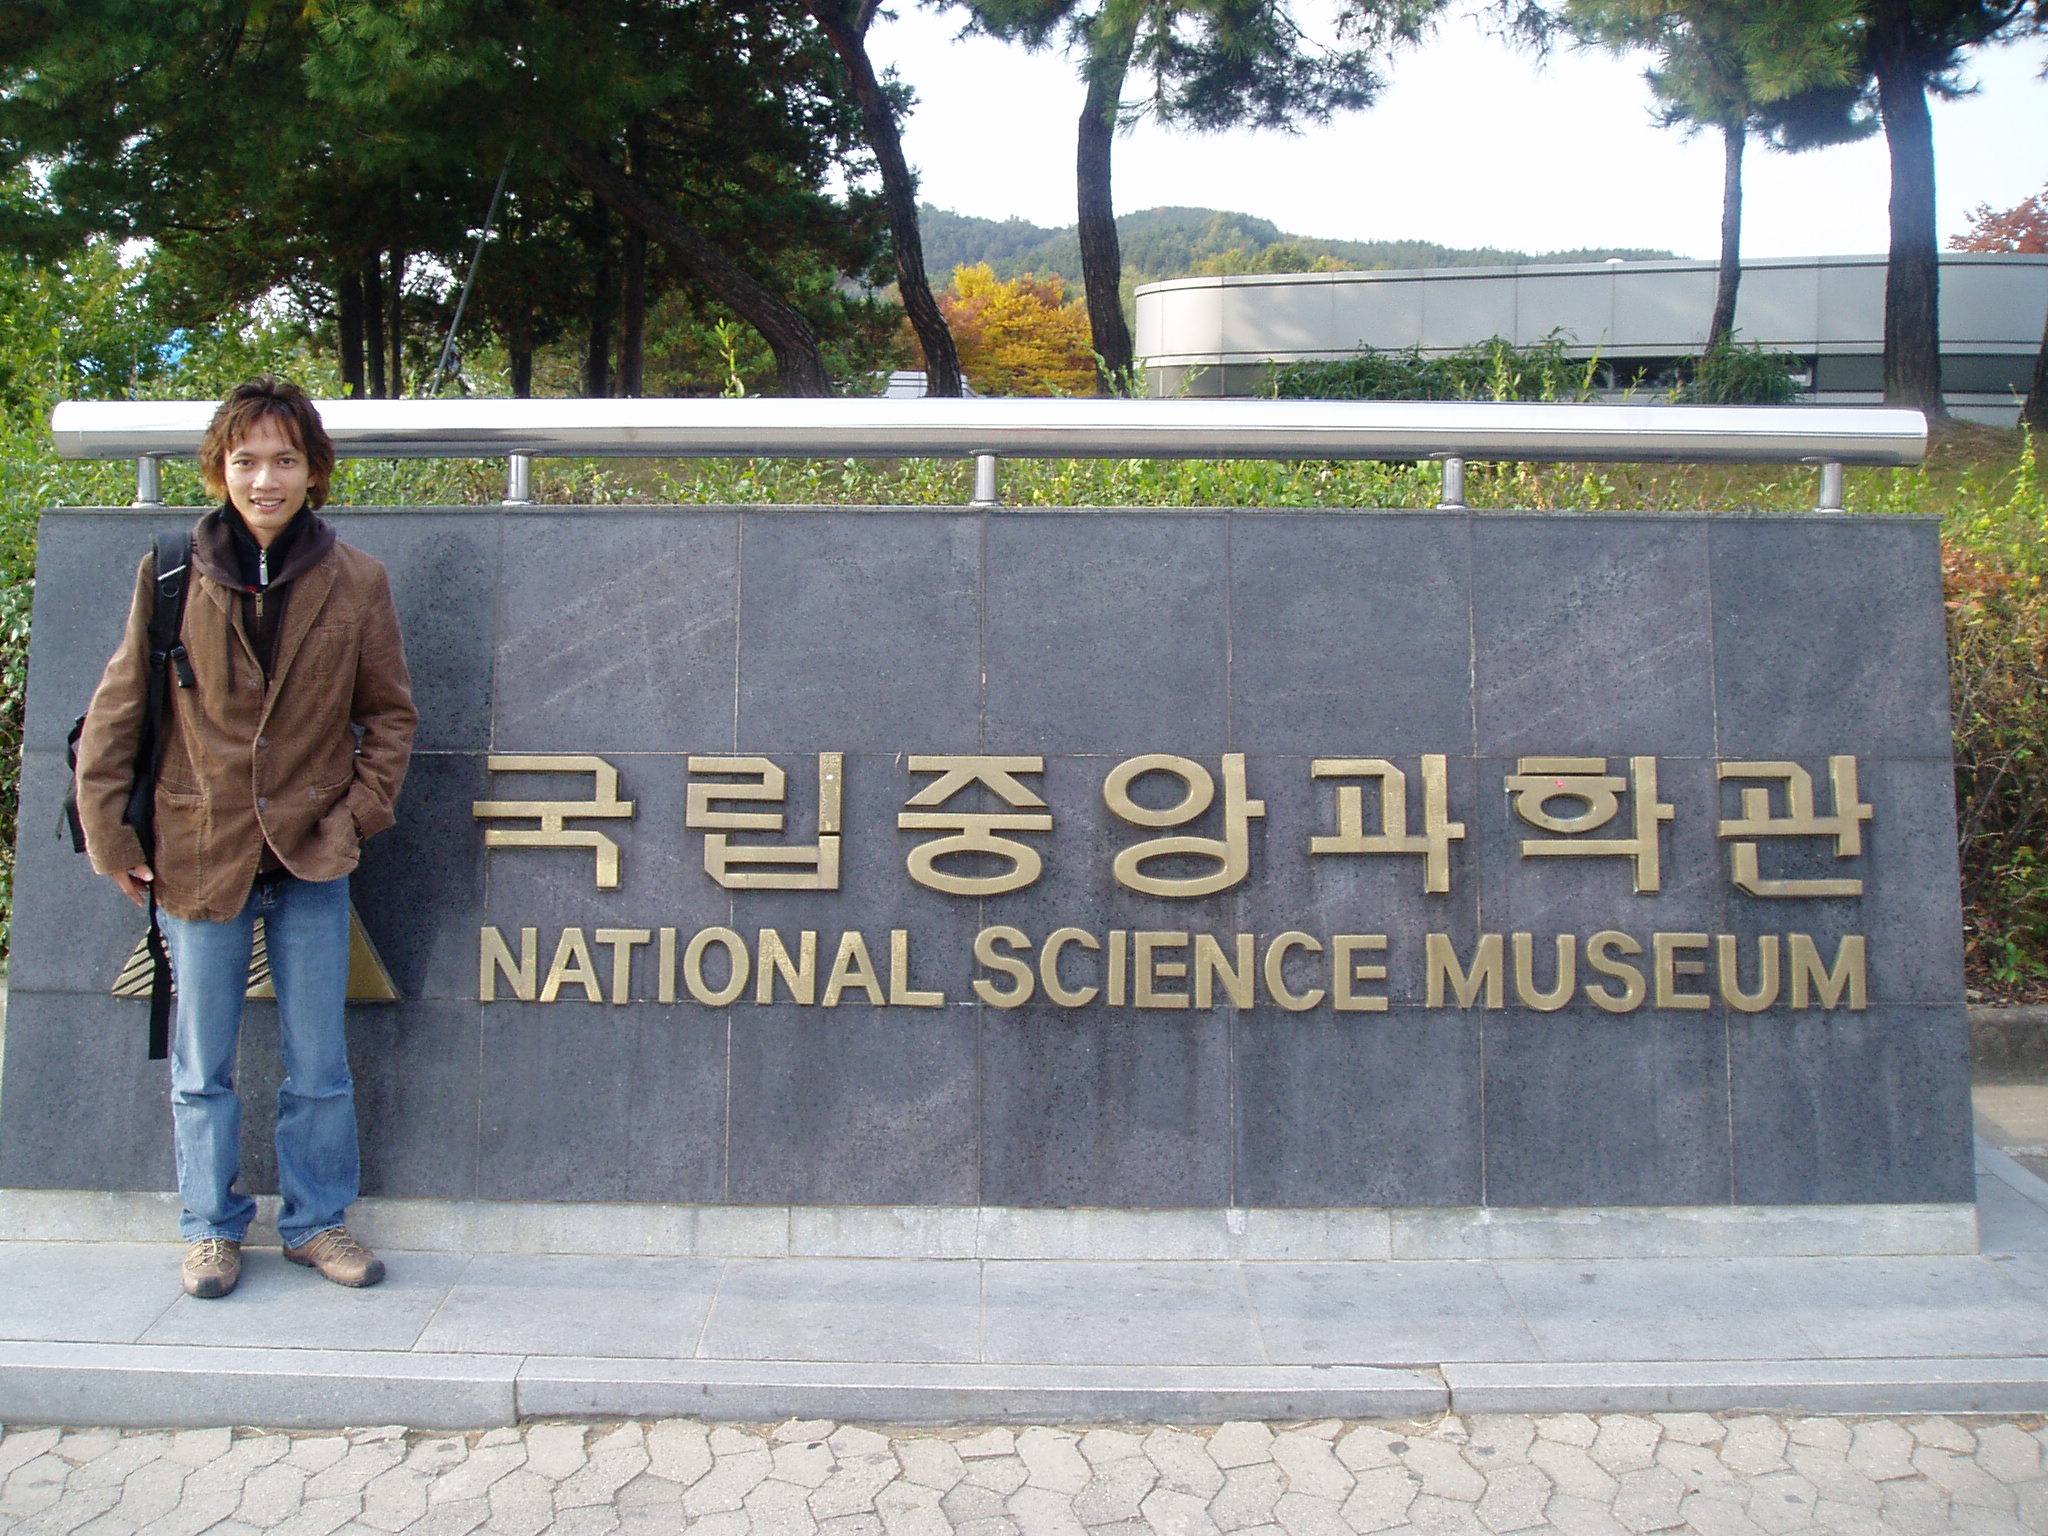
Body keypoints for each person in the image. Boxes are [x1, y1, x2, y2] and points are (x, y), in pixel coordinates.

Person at [74, 376, 417, 1300]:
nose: (266, 479)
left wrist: (355, 816)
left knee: (320, 1064)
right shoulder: (171, 572)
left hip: (312, 855)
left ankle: (316, 1222)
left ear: (314, 471)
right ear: (220, 469)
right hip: (197, 852)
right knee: (202, 1067)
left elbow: (390, 716)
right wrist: (113, 839)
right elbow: (118, 711)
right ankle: (210, 1228)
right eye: (247, 460)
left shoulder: (357, 581)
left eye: (285, 460)